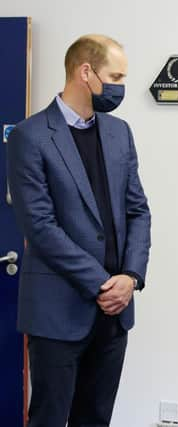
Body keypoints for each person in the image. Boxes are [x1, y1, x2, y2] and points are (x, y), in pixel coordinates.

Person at [7, 34, 151, 427]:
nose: (120, 87)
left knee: (96, 418)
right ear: (85, 72)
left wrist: (131, 277)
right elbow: (39, 226)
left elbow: (138, 210)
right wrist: (104, 283)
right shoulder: (29, 136)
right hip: (58, 311)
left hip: (114, 315)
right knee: (50, 418)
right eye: (115, 76)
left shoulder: (119, 132)